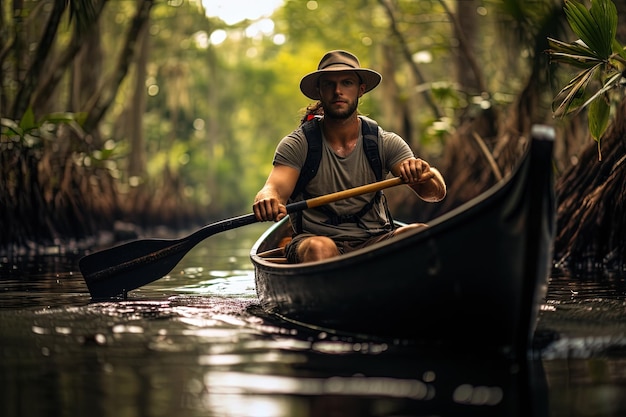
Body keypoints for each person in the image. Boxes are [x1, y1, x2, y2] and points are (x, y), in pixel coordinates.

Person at [253, 50, 446, 263]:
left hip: (375, 239)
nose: (338, 91)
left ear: (360, 90)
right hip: (314, 242)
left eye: (346, 83)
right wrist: (267, 198)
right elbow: (274, 189)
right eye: (329, 84)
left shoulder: (383, 142)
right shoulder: (298, 144)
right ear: (319, 91)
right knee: (321, 248)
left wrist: (426, 173)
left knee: (421, 234)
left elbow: (434, 194)